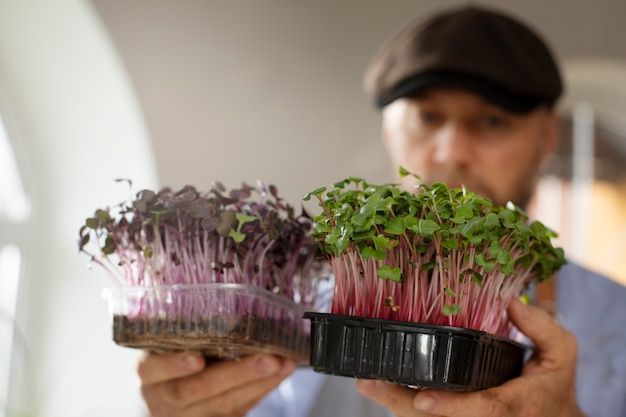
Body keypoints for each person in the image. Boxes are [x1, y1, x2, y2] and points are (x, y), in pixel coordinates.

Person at [137, 5, 626, 417]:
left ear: (545, 136)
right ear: (389, 131)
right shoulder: (302, 298)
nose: (450, 150)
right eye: (426, 117)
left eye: (492, 121)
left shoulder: (614, 315)